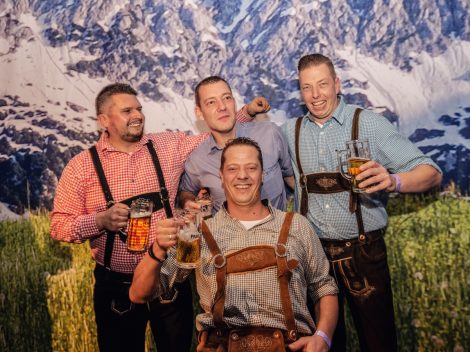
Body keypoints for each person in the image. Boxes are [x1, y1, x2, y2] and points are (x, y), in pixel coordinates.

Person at [50, 83, 269, 352]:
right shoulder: (81, 166)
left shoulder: (166, 145)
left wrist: (245, 111)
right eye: (127, 110)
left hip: (170, 281)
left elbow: (211, 138)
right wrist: (99, 221)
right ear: (104, 120)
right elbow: (59, 225)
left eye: (139, 109)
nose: (138, 115)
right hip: (117, 285)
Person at [281, 54, 443, 352]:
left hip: (363, 252)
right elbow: (280, 176)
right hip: (313, 256)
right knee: (323, 345)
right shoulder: (288, 132)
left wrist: (394, 181)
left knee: (378, 342)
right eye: (307, 87)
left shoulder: (367, 123)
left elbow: (431, 172)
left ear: (337, 84)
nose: (315, 95)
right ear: (300, 91)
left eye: (322, 85)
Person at [129, 137, 339, 352]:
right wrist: (157, 251)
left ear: (262, 174)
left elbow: (324, 287)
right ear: (221, 176)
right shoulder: (197, 233)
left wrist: (323, 337)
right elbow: (139, 294)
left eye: (251, 168)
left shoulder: (296, 225)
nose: (242, 176)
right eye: (232, 169)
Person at [180, 76, 294, 214]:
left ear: (234, 102)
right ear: (199, 113)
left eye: (227, 98)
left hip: (279, 232)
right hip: (225, 235)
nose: (222, 107)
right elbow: (185, 192)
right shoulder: (198, 160)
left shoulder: (270, 134)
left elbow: (291, 178)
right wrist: (187, 201)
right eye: (211, 102)